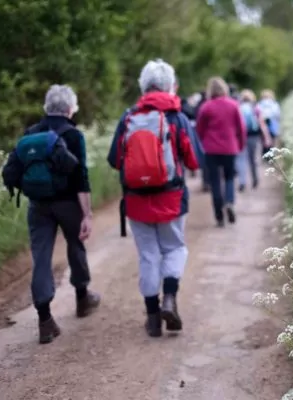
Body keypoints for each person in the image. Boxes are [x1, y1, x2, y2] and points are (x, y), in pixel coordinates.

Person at [106, 59, 201, 338]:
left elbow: (114, 159)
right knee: (175, 249)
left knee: (148, 255)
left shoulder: (128, 117)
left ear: (143, 86)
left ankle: (151, 317)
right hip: (171, 198)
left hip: (136, 200)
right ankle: (169, 298)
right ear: (172, 85)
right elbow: (194, 160)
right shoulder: (178, 117)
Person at [1, 84, 100, 345]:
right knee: (75, 245)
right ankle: (82, 299)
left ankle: (45, 320)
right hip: (68, 203)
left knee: (41, 257)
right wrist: (87, 214)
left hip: (38, 206)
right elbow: (81, 178)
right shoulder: (73, 135)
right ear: (70, 108)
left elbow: (15, 171)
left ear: (47, 107)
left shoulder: (31, 133)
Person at [195, 77, 245, 227]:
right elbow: (241, 128)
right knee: (229, 177)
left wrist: (204, 142)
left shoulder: (206, 107)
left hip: (211, 149)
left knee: (215, 182)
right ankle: (229, 202)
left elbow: (199, 129)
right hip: (230, 147)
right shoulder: (233, 105)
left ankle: (219, 215)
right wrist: (240, 145)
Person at [236, 89, 272, 192]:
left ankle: (242, 182)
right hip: (254, 136)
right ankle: (255, 179)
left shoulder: (238, 108)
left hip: (241, 137)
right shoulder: (256, 108)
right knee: (253, 159)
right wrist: (266, 137)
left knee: (241, 159)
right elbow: (262, 124)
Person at [258, 89, 282, 159]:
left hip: (263, 125)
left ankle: (265, 156)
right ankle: (272, 157)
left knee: (264, 141)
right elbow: (278, 115)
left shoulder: (260, 104)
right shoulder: (274, 104)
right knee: (273, 142)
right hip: (273, 126)